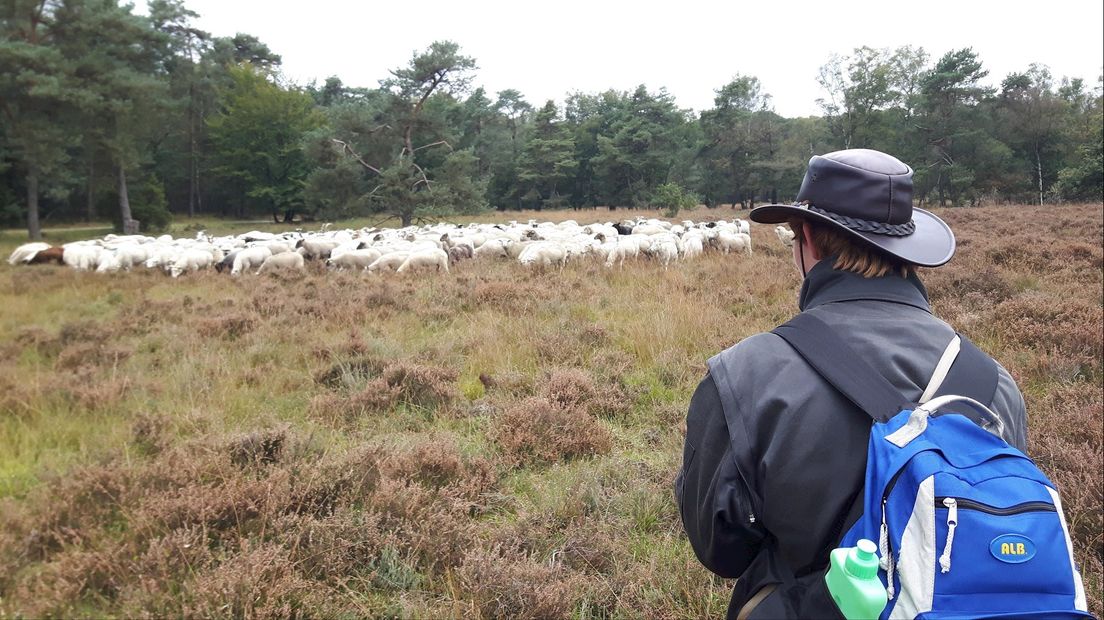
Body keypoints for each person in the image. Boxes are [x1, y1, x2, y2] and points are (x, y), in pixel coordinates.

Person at [675, 148, 1027, 619]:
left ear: (808, 242)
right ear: (907, 250)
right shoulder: (994, 384)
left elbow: (721, 550)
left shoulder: (745, 375)